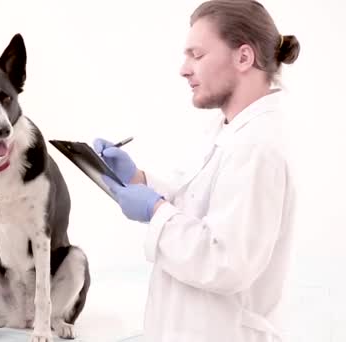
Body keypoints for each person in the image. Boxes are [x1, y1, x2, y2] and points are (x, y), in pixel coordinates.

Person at [94, 1, 300, 341]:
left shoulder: (259, 147)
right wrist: (139, 181)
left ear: (244, 57)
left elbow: (226, 262)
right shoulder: (228, 129)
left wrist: (155, 210)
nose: (184, 69)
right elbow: (199, 203)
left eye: (197, 55)